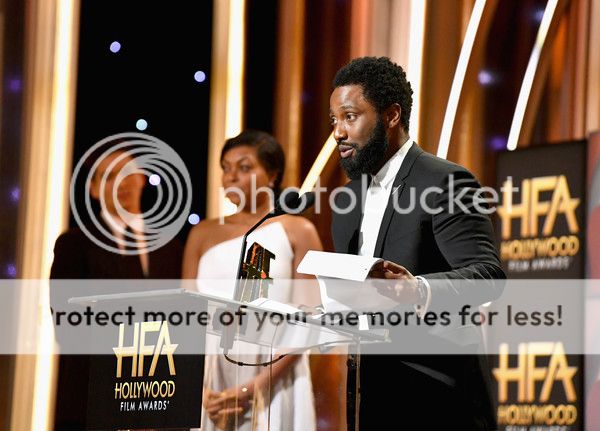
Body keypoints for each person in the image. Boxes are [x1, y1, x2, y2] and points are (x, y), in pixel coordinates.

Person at [328, 57, 506, 429]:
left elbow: (488, 276)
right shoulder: (346, 200)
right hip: (369, 394)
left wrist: (418, 289)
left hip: (437, 396)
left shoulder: (444, 181)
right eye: (334, 120)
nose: (338, 133)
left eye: (349, 117)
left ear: (392, 115)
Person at [182, 130, 323, 430]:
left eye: (244, 167)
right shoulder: (201, 233)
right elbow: (185, 318)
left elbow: (309, 322)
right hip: (210, 382)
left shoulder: (298, 230)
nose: (231, 176)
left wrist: (253, 387)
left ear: (272, 175)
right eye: (226, 168)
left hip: (275, 378)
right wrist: (197, 389)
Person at [50, 143, 183, 430]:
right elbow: (67, 323)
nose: (121, 183)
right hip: (92, 394)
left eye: (127, 172)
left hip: (158, 395)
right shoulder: (74, 244)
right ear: (94, 190)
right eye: (109, 176)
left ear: (142, 179)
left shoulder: (171, 248)